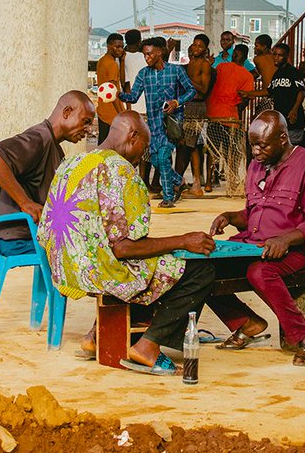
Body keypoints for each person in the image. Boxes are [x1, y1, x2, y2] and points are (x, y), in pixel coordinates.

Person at [38, 111, 216, 375]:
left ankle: (94, 335)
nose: (143, 153)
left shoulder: (72, 162)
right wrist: (183, 240)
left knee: (144, 260)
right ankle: (149, 345)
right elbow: (124, 248)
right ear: (133, 136)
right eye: (144, 145)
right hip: (98, 271)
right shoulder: (121, 172)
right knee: (197, 270)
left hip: (65, 267)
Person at [207, 111, 305, 366]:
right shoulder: (256, 166)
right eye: (252, 145)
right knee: (202, 268)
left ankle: (304, 337)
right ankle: (245, 322)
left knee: (260, 273)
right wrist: (229, 217)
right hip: (252, 243)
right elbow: (252, 214)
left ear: (283, 138)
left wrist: (284, 240)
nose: (255, 151)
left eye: (261, 145)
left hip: (295, 251)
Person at [0, 91, 96, 256]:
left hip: (35, 233)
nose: (88, 130)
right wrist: (25, 203)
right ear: (67, 112)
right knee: (90, 252)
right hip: (19, 237)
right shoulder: (39, 138)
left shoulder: (53, 145)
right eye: (85, 122)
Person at [119, 37, 197, 209]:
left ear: (160, 52)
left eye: (149, 54)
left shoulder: (176, 71)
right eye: (144, 54)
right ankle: (179, 181)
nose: (146, 58)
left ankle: (168, 197)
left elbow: (191, 90)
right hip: (153, 125)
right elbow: (133, 96)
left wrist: (177, 102)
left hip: (171, 125)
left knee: (163, 158)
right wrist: (117, 95)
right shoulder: (143, 74)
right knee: (156, 161)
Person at [204, 44, 258, 197]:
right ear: (246, 57)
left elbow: (211, 80)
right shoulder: (247, 76)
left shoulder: (221, 67)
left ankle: (208, 182)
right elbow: (245, 99)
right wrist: (236, 110)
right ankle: (232, 182)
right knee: (231, 151)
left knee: (212, 150)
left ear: (234, 55)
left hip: (213, 112)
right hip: (231, 117)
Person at [177, 34, 213, 196]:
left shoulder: (204, 65)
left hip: (197, 107)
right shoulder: (190, 63)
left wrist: (187, 80)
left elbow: (204, 89)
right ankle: (187, 182)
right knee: (188, 146)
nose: (196, 48)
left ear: (205, 49)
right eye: (194, 45)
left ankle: (196, 184)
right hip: (187, 105)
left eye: (200, 46)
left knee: (191, 146)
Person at [267, 42, 305, 147]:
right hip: (281, 122)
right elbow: (269, 91)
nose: (276, 58)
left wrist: (294, 110)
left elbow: (301, 92)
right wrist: (248, 93)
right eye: (274, 54)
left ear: (287, 56)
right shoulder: (277, 73)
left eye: (280, 55)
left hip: (293, 121)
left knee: (293, 152)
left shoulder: (293, 72)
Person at [95, 33, 127, 143]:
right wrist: (121, 113)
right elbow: (113, 92)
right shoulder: (112, 65)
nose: (120, 50)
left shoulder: (102, 61)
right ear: (108, 46)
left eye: (122, 47)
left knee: (103, 145)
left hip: (103, 110)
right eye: (117, 47)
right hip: (112, 114)